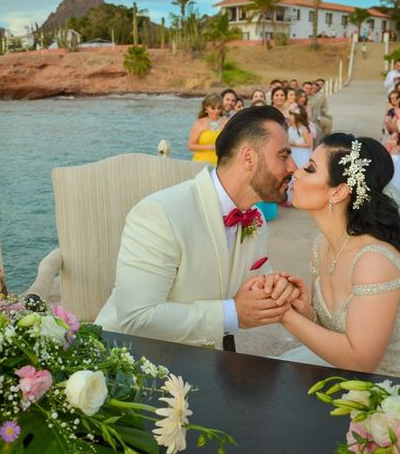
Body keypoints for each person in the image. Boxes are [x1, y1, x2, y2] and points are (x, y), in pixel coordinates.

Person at [279, 133, 400, 386]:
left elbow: (361, 361)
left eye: (310, 169)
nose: (296, 172)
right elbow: (338, 333)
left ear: (339, 191)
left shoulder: (373, 260)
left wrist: (285, 316)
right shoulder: (322, 245)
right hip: (360, 384)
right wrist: (301, 308)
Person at [96, 106, 299, 348]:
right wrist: (232, 314)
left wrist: (279, 290)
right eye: (283, 155)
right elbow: (138, 317)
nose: (293, 167)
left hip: (206, 358)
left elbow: (257, 279)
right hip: (129, 362)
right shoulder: (160, 214)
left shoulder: (255, 218)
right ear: (248, 157)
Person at [187, 94, 228, 165]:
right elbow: (191, 146)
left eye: (219, 108)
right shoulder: (199, 123)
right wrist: (210, 147)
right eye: (213, 108)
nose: (216, 111)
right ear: (206, 107)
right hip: (201, 163)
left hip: (221, 164)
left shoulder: (227, 122)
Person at [287, 103, 313, 167]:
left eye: (291, 115)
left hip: (302, 153)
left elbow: (309, 144)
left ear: (297, 116)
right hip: (293, 153)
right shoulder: (290, 129)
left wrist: (295, 144)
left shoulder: (303, 129)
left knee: (300, 166)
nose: (289, 117)